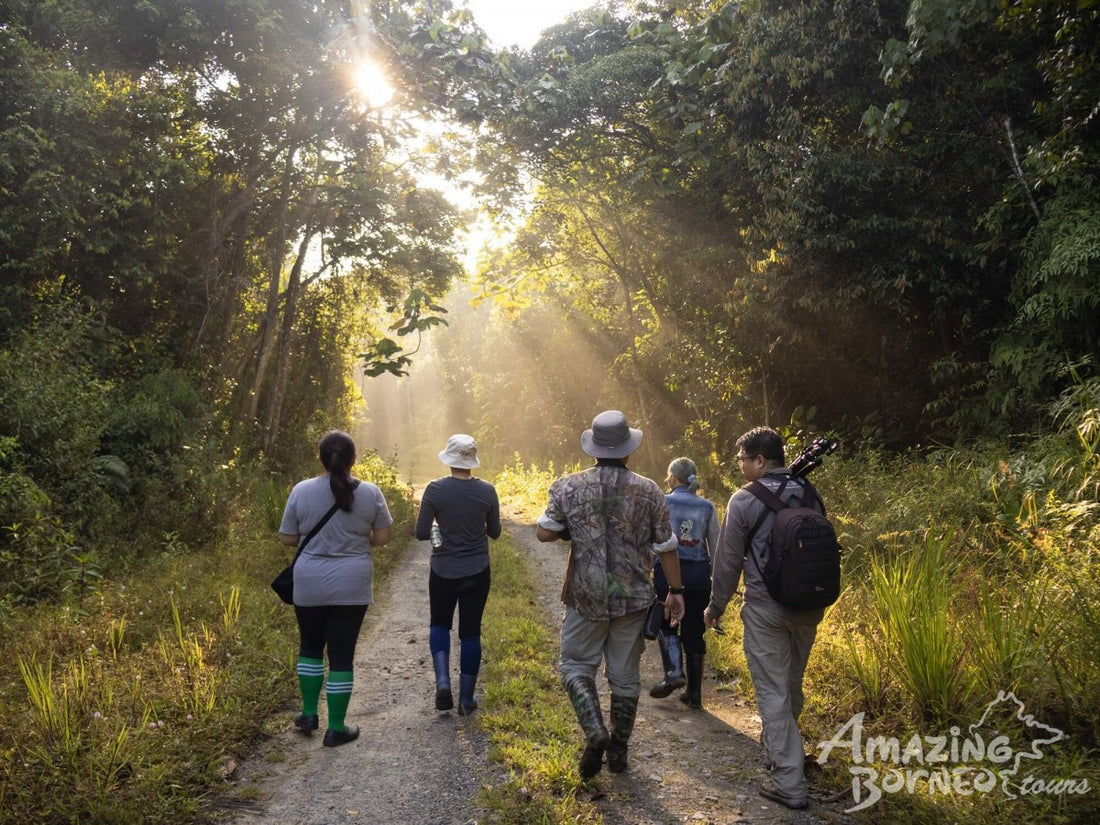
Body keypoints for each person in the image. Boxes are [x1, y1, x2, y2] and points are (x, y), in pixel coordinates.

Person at [536, 410, 686, 780]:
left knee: (575, 666)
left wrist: (572, 528)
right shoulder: (649, 489)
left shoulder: (566, 486)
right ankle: (618, 751)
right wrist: (676, 592)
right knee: (624, 677)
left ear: (593, 449)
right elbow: (666, 546)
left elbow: (544, 534)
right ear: (627, 450)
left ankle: (594, 730)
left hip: (584, 596)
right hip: (633, 598)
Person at [704, 426, 827, 810]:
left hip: (765, 609)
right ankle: (784, 750)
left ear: (759, 461)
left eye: (742, 459)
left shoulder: (744, 500)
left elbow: (726, 561)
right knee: (790, 686)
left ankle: (789, 782)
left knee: (773, 692)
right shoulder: (810, 492)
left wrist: (715, 606)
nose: (740, 466)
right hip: (809, 606)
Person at [278, 430, 394, 747]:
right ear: (353, 459)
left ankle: (309, 715)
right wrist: (356, 539)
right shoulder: (370, 493)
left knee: (311, 646)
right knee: (341, 655)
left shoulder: (301, 491)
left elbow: (287, 538)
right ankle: (337, 728)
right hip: (352, 582)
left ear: (321, 458)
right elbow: (383, 538)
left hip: (308, 581)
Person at [415, 434, 501, 715]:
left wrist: (440, 529)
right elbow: (495, 532)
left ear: (449, 458)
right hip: (478, 569)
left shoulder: (434, 489)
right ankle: (466, 699)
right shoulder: (488, 490)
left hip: (442, 569)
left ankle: (442, 682)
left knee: (439, 624)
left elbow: (420, 532)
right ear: (472, 461)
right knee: (471, 632)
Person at [650, 457, 718, 709]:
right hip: (699, 576)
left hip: (667, 575)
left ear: (672, 477)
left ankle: (674, 672)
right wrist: (718, 583)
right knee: (694, 632)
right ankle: (694, 694)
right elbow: (717, 546)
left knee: (667, 624)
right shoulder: (707, 507)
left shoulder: (662, 502)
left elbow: (653, 543)